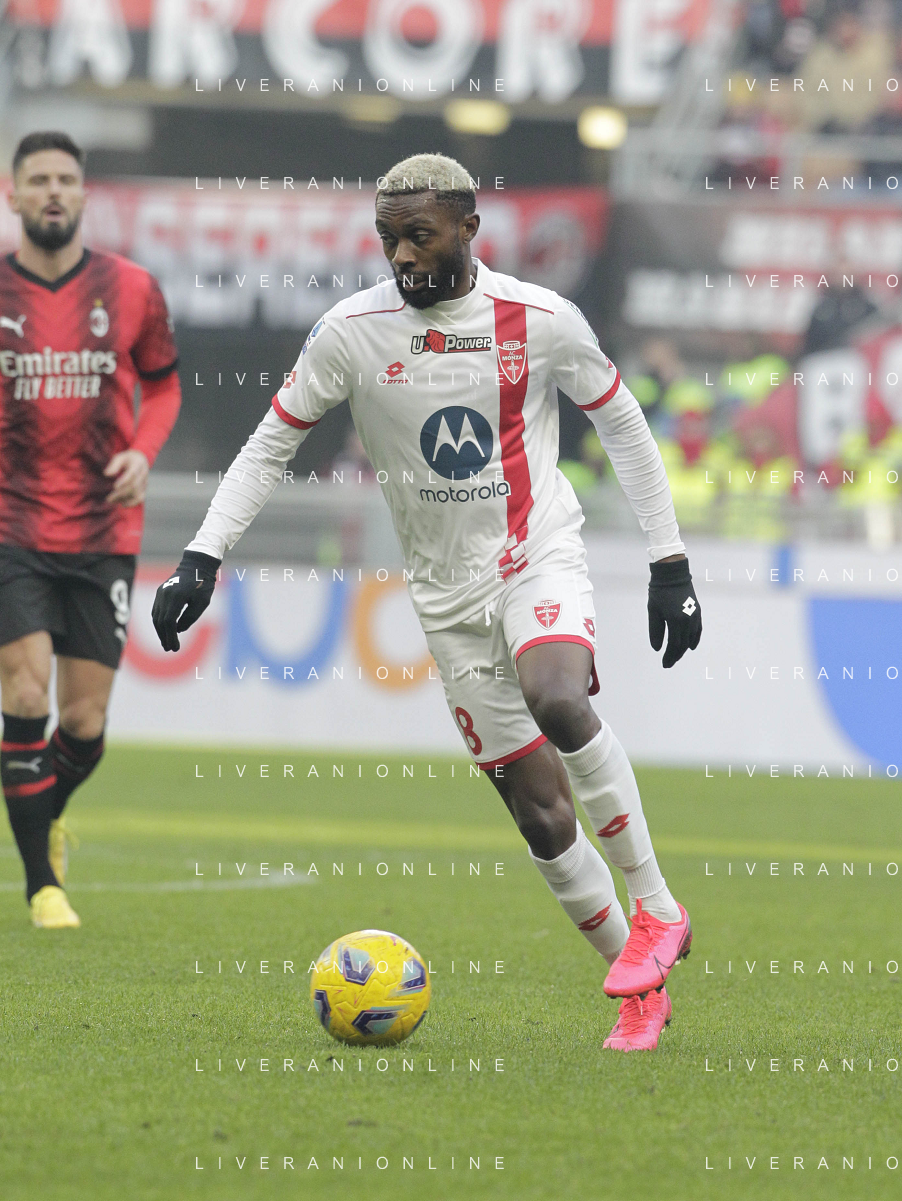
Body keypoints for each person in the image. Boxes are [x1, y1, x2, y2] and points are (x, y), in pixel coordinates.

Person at [152, 154, 701, 1052]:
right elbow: (270, 443)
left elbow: (623, 421)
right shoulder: (350, 333)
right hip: (445, 597)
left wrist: (668, 562)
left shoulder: (540, 318)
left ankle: (657, 907)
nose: (403, 255)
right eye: (389, 239)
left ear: (468, 229)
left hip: (535, 553)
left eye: (420, 235)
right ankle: (639, 992)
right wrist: (202, 557)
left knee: (558, 697)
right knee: (539, 813)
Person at [0, 132, 181, 928]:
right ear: (13, 194)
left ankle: (40, 807)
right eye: (37, 178)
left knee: (83, 724)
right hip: (11, 522)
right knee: (24, 691)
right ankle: (44, 886)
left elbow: (164, 386)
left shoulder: (132, 288)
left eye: (65, 179)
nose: (52, 190)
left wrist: (143, 451)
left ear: (82, 193)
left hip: (104, 529)